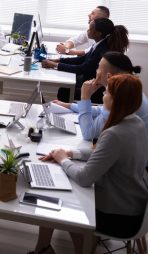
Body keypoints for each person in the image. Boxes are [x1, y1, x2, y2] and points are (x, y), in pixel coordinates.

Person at [30, 74, 148, 254]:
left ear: (117, 100)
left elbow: (85, 178)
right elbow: (104, 153)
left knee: (62, 201)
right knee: (64, 185)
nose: (103, 96)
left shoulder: (115, 133)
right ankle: (44, 248)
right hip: (134, 203)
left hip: (120, 215)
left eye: (107, 93)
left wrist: (63, 159)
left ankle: (53, 249)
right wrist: (71, 153)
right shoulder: (136, 123)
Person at [53, 52, 148, 142]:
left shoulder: (121, 97)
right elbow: (101, 111)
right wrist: (69, 106)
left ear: (109, 76)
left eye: (98, 67)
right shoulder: (128, 89)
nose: (96, 70)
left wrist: (85, 97)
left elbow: (88, 134)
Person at [41, 18, 129, 102]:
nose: (87, 31)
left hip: (96, 90)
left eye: (90, 29)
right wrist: (59, 61)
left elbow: (82, 68)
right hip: (87, 78)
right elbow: (82, 59)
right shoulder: (99, 43)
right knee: (65, 83)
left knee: (64, 91)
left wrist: (54, 65)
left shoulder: (103, 50)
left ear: (98, 33)